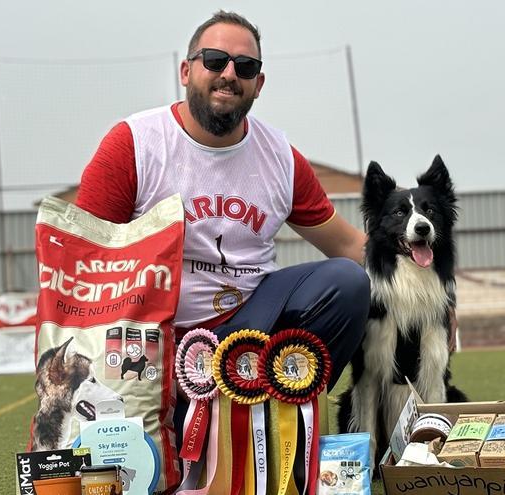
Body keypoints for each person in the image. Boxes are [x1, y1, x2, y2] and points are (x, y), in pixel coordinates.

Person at [74, 10, 370, 442]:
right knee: (146, 461)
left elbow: (350, 246)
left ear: (258, 83)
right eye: (214, 60)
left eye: (245, 66)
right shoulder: (133, 144)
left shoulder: (280, 156)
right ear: (185, 70)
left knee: (347, 282)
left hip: (249, 326)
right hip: (152, 340)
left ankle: (281, 432)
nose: (229, 74)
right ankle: (178, 422)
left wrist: (435, 286)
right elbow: (82, 260)